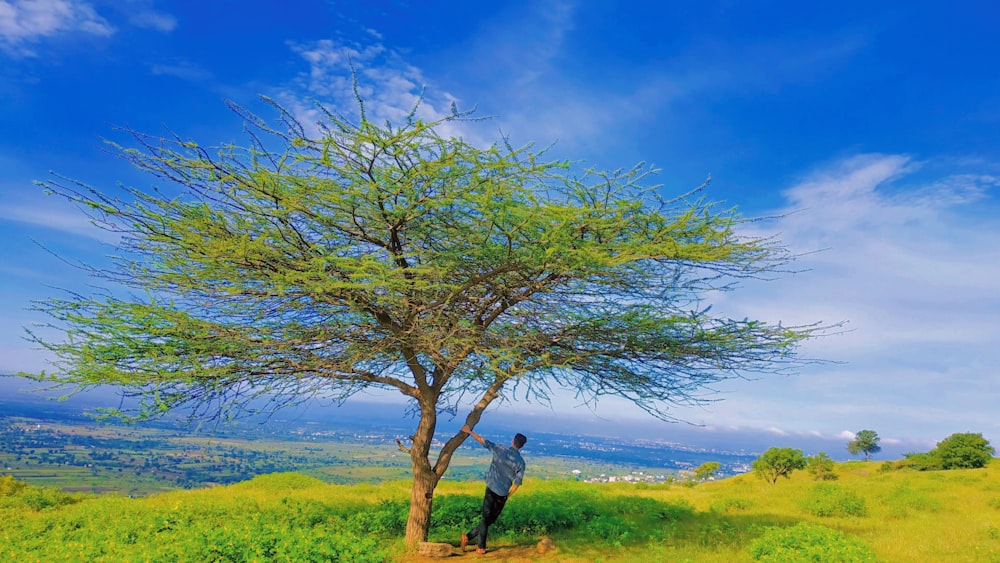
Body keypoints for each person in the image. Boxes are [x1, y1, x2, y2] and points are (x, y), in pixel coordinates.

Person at [460, 424, 527, 554]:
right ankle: (480, 546)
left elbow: (483, 441)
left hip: (491, 488)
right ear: (522, 446)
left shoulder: (500, 449)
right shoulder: (521, 462)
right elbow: (517, 483)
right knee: (487, 519)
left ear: (513, 441)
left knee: (487, 519)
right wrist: (508, 495)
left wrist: (469, 431)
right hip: (502, 494)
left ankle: (469, 538)